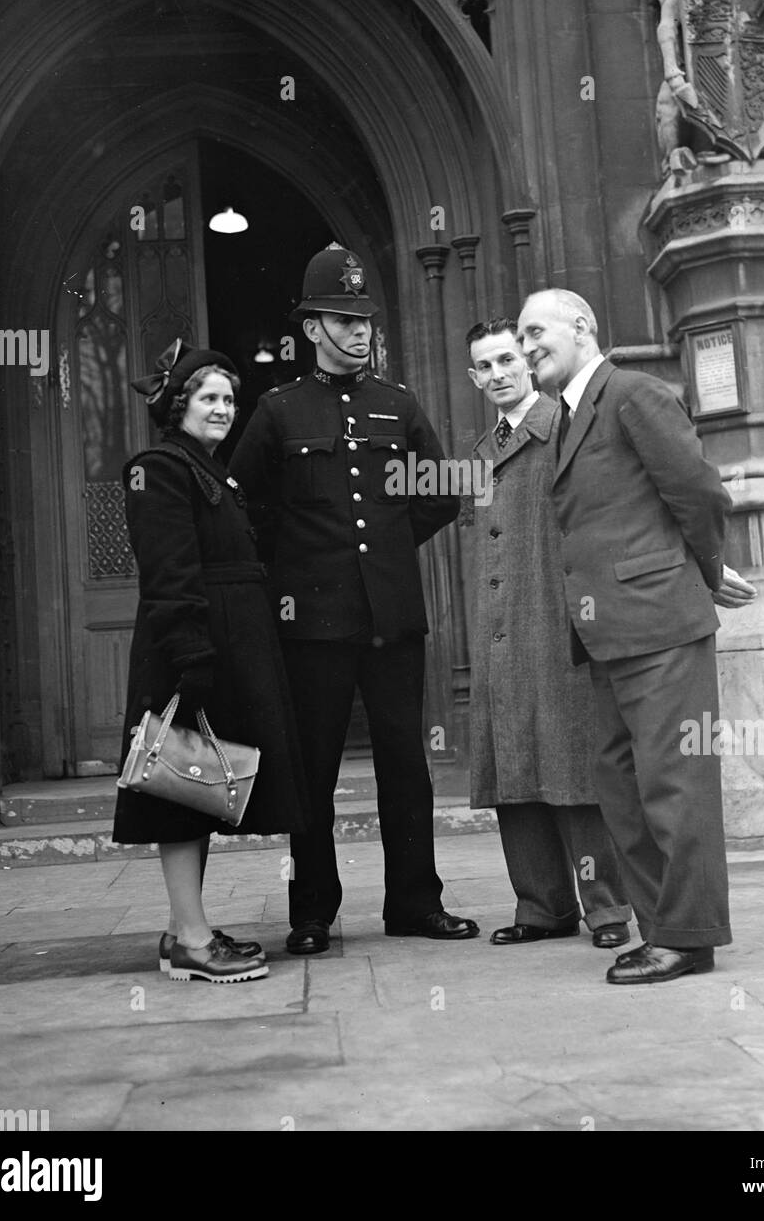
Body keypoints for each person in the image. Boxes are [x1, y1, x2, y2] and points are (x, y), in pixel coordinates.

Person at [229, 244, 478, 954]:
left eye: (365, 317)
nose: (360, 331)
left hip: (392, 618)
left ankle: (414, 903)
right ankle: (312, 912)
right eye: (343, 318)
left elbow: (438, 493)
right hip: (312, 623)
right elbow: (246, 508)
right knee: (313, 771)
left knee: (407, 764)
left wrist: (392, 552)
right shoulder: (278, 411)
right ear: (312, 328)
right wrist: (296, 572)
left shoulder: (397, 404)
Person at [517, 288, 757, 985]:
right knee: (620, 788)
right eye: (522, 338)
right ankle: (662, 929)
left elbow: (698, 492)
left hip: (659, 623)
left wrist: (705, 571)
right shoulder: (566, 415)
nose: (529, 347)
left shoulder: (634, 393)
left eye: (538, 332)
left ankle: (687, 936)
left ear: (582, 326)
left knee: (674, 785)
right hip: (605, 633)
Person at [112, 338, 310, 984]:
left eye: (229, 398)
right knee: (179, 788)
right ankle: (193, 942)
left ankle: (183, 930)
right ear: (179, 406)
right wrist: (191, 654)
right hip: (191, 646)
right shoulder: (159, 468)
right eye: (208, 398)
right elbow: (169, 571)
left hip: (228, 644)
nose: (223, 408)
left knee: (198, 788)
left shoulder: (209, 471)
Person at [465, 319, 632, 948]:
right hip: (501, 629)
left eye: (507, 359)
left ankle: (608, 909)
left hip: (559, 622)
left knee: (573, 765)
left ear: (529, 361)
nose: (499, 374)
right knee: (514, 764)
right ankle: (541, 906)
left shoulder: (565, 428)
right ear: (474, 377)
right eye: (485, 366)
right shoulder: (481, 453)